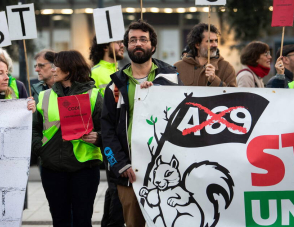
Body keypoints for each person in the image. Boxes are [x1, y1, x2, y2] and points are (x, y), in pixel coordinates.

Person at [101, 20, 182, 227]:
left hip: (165, 170)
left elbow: (182, 118)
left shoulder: (170, 78)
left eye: (143, 40)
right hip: (129, 174)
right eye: (133, 40)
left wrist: (155, 92)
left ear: (153, 46)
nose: (138, 44)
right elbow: (107, 130)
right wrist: (119, 164)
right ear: (126, 46)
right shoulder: (115, 85)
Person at [32, 50, 103, 226]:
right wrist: (39, 148)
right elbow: (35, 128)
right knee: (60, 220)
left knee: (82, 220)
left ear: (69, 70)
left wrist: (99, 137)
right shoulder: (44, 96)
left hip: (84, 169)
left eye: (57, 66)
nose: (53, 70)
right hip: (53, 168)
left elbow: (108, 129)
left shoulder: (94, 95)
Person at [89, 36, 125, 227]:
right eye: (117, 42)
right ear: (105, 46)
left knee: (115, 188)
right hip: (107, 138)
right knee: (115, 187)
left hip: (121, 137)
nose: (122, 46)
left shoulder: (121, 71)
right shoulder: (95, 72)